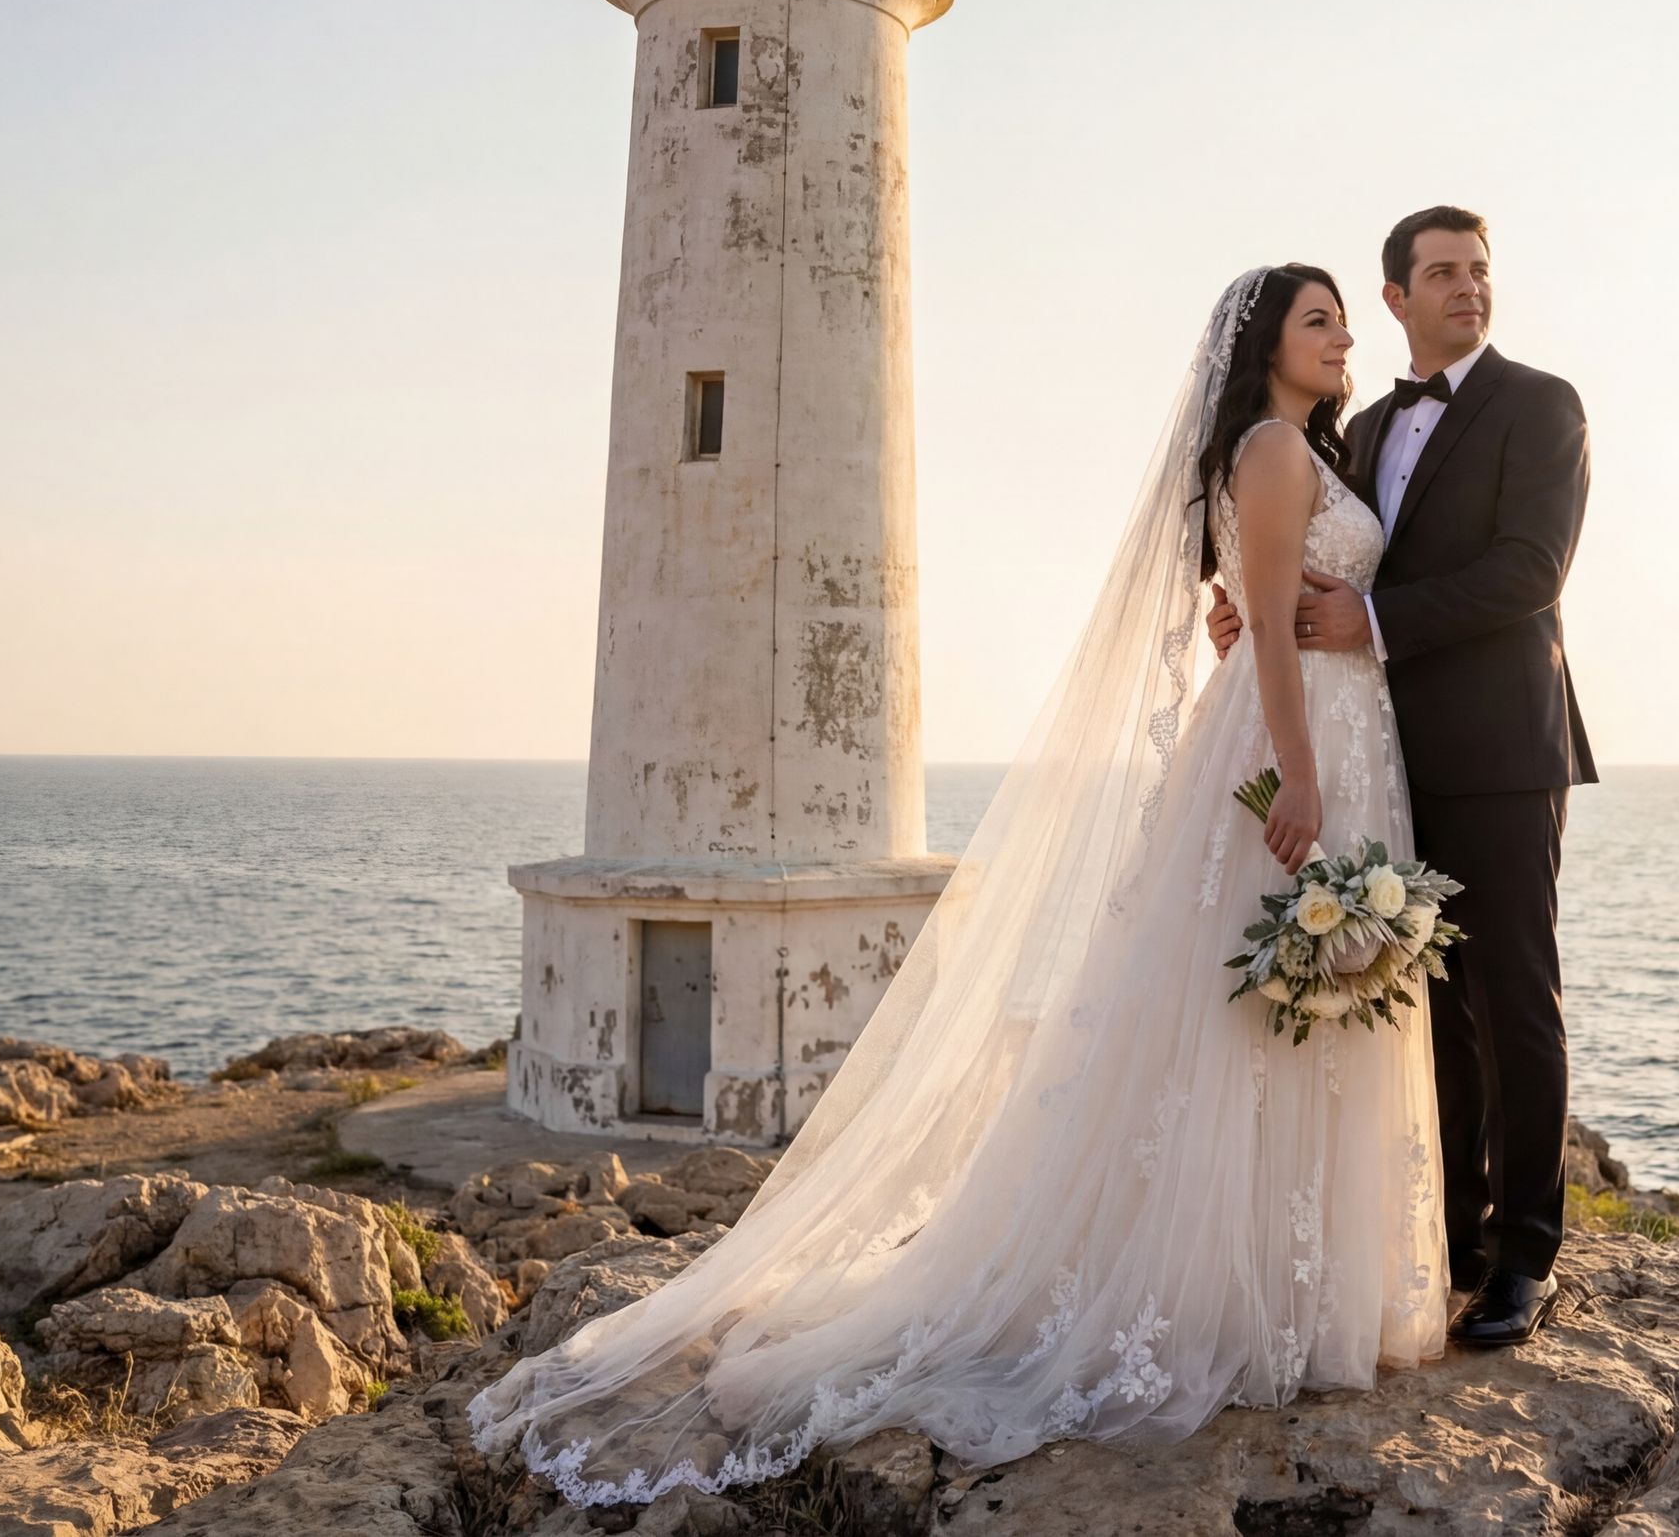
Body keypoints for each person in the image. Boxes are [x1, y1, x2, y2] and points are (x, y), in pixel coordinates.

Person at [470, 266, 1446, 1508]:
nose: (1344, 336)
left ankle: (1300, 1287)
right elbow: (1257, 616)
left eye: (1344, 320)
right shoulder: (1268, 449)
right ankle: (1242, 1298)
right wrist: (1300, 775)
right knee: (1255, 1012)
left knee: (1285, 1015)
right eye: (1320, 320)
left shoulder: (1301, 448)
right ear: (1265, 346)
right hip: (1294, 745)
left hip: (1337, 733)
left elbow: (1246, 611)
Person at [1208, 205, 1595, 1348]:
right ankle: (1455, 1238)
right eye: (1441, 272)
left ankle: (1527, 1259)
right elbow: (1293, 554)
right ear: (1398, 299)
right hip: (1388, 754)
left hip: (1504, 752)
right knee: (1423, 1004)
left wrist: (1365, 618)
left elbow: (1530, 571)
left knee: (1514, 997)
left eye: (1479, 270)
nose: (1467, 287)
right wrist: (1252, 613)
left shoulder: (1542, 406)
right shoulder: (1361, 429)